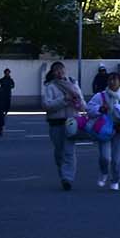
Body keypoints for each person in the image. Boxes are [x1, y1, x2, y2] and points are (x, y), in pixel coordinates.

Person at [89, 71, 120, 191]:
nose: (112, 82)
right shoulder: (100, 96)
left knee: (117, 159)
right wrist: (99, 109)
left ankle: (116, 179)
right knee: (105, 157)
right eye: (110, 79)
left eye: (115, 79)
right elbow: (89, 109)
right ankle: (104, 172)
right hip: (104, 130)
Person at [41, 61, 86, 190]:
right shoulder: (50, 87)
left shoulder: (73, 84)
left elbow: (83, 104)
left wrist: (78, 101)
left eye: (61, 70)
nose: (60, 73)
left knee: (69, 151)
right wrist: (64, 100)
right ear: (53, 73)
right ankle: (63, 175)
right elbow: (47, 106)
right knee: (59, 151)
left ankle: (68, 178)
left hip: (71, 122)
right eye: (57, 71)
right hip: (56, 122)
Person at [0, 67, 15, 135]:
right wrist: (0, 89)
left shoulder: (11, 80)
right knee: (2, 107)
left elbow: (13, 85)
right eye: (6, 72)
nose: (7, 74)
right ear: (4, 73)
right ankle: (0, 122)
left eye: (8, 72)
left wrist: (10, 86)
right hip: (2, 96)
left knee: (7, 106)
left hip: (8, 95)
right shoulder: (2, 80)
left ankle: (5, 114)